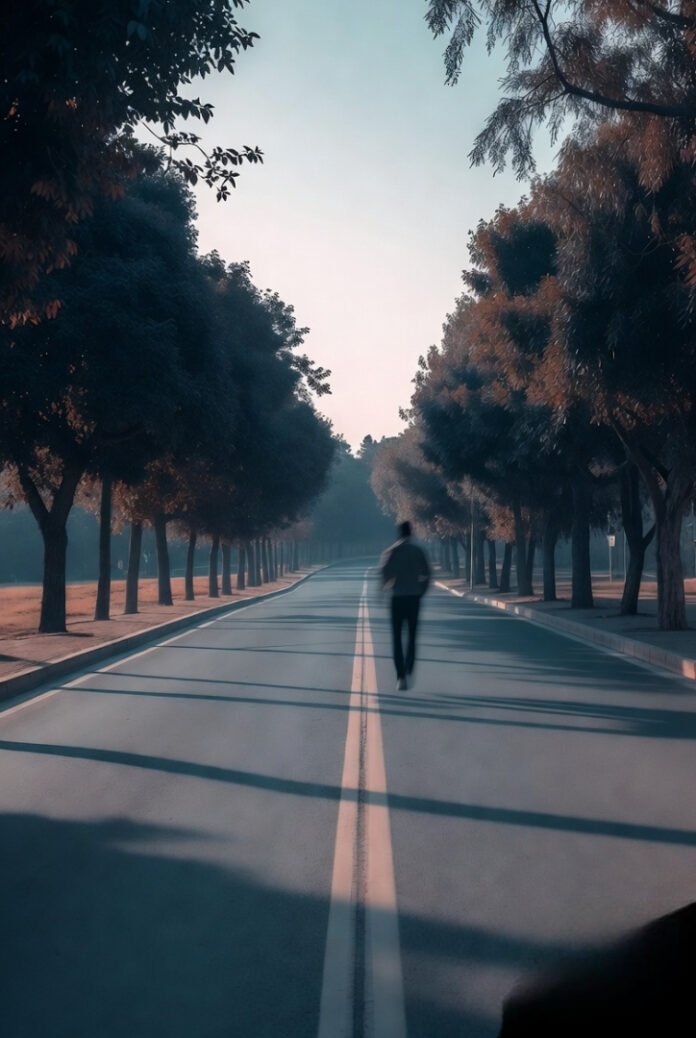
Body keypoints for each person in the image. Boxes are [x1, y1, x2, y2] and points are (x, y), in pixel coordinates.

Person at [379, 521, 431, 691]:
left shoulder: (392, 551)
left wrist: (383, 590)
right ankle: (409, 668)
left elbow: (385, 574)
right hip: (414, 598)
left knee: (396, 638)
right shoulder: (418, 551)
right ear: (411, 533)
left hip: (397, 598)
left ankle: (400, 676)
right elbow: (427, 574)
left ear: (399, 533)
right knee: (412, 636)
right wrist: (421, 591)